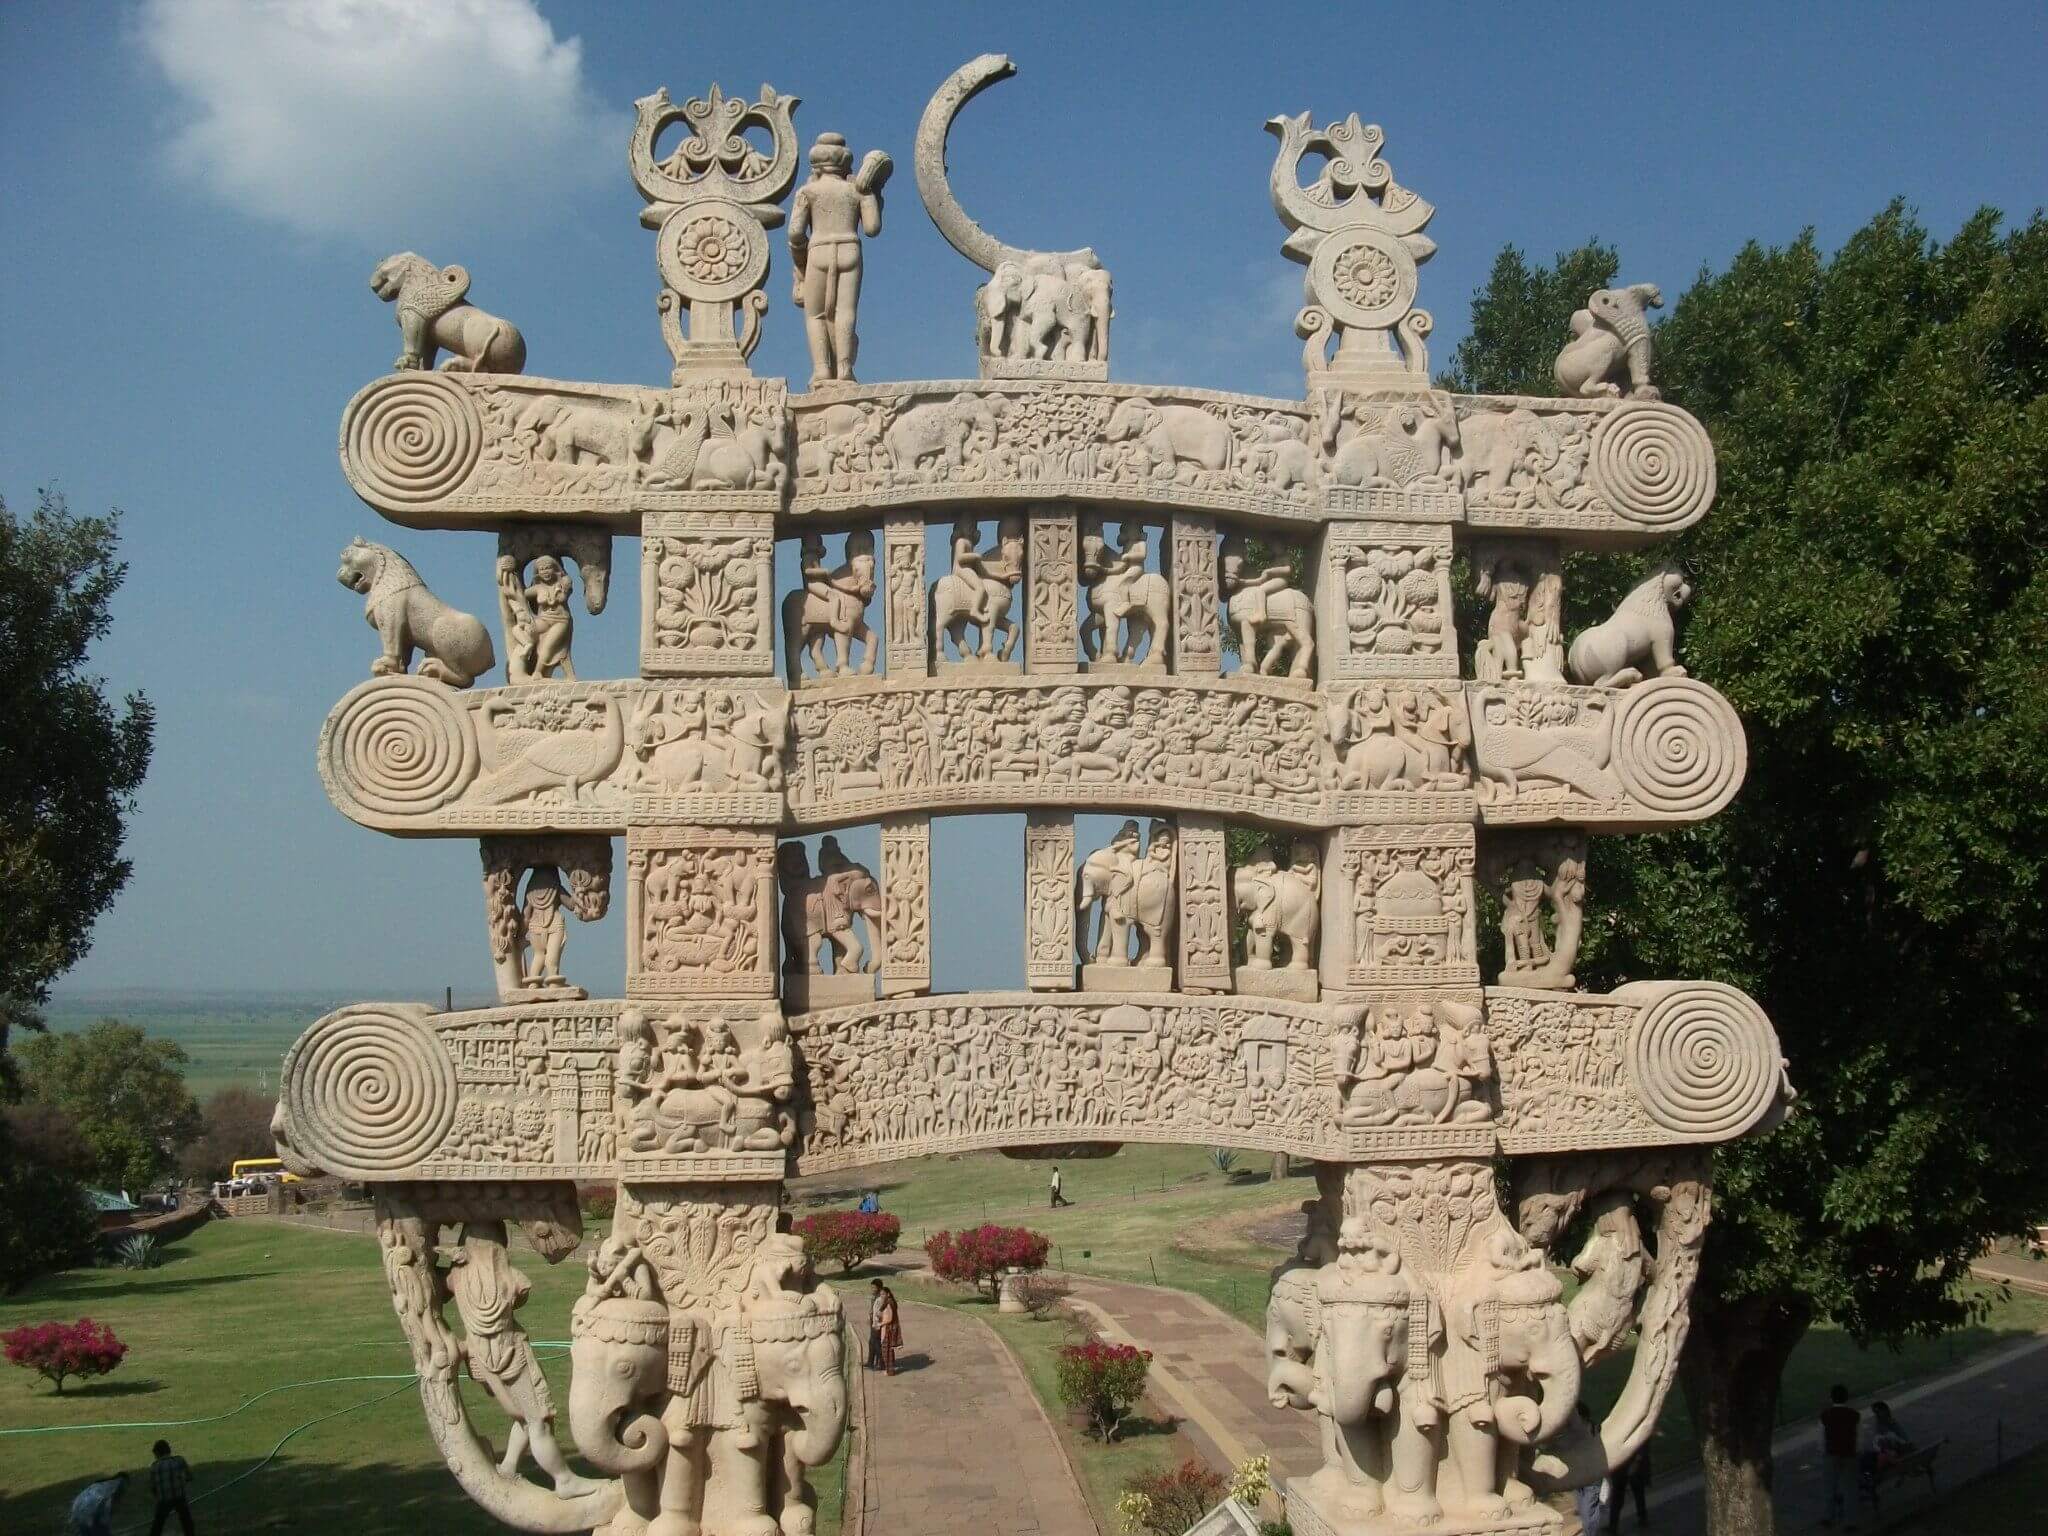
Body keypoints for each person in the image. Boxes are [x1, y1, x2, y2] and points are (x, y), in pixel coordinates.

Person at [1819, 1384, 1859, 1526]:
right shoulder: (1854, 1415)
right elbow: (1859, 1437)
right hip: (1849, 1454)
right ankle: (1850, 1521)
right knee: (1850, 1489)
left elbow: (1822, 1438)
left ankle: (1828, 1516)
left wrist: (1824, 1453)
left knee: (1829, 1486)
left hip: (1831, 1454)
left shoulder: (1825, 1415)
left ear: (1832, 1398)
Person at [148, 1438, 195, 1535]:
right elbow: (189, 1476)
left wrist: (158, 1496)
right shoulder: (179, 1460)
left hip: (164, 1499)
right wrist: (181, 1482)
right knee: (187, 1522)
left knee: (158, 1525)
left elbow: (153, 1487)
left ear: (157, 1453)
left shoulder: (154, 1466)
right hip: (179, 1496)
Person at [1605, 1444, 1651, 1531]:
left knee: (1636, 1491)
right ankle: (1613, 1525)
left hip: (1630, 1460)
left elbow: (1642, 1444)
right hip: (1623, 1461)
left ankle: (1614, 1525)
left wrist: (1637, 1460)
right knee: (1622, 1493)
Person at [869, 1279, 901, 1375]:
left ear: (888, 1294)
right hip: (886, 1327)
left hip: (888, 1328)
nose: (882, 1296)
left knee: (886, 1349)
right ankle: (887, 1368)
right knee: (886, 1348)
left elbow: (889, 1318)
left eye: (883, 1294)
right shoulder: (886, 1301)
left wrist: (879, 1323)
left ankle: (887, 1367)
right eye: (881, 1294)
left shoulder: (888, 1303)